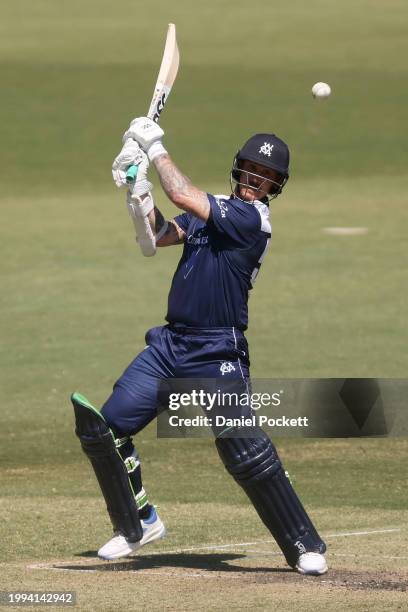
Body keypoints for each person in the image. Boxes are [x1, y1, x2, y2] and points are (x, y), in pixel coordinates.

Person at [71, 118, 328, 575]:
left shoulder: (252, 221)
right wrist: (136, 191)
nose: (254, 179)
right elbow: (155, 239)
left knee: (243, 449)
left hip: (218, 351)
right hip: (170, 345)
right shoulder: (210, 211)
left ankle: (303, 544)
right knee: (104, 428)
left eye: (264, 175)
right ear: (238, 168)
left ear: (275, 186)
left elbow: (183, 195)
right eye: (249, 169)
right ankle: (139, 524)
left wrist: (153, 147)